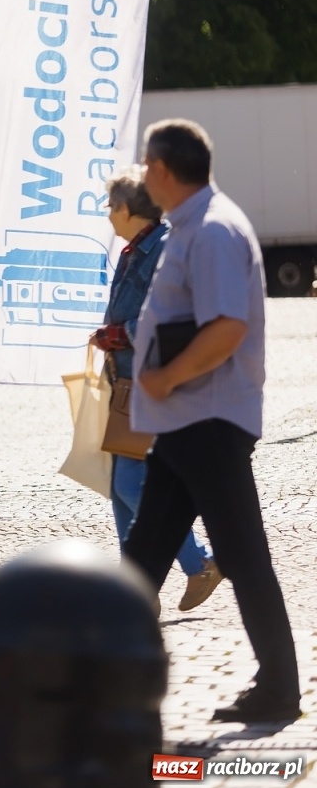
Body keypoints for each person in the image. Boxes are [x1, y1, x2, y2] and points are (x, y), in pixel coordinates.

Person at [123, 119, 300, 723]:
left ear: (165, 170)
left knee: (242, 554)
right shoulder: (190, 228)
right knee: (144, 555)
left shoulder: (215, 231)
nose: (144, 175)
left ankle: (280, 687)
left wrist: (166, 378)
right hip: (186, 424)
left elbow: (228, 327)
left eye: (148, 165)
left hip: (208, 421)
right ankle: (101, 679)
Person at [90, 167, 220, 611]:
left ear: (127, 209)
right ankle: (136, 591)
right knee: (119, 485)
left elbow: (166, 314)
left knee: (130, 484)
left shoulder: (161, 248)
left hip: (153, 382)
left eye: (111, 206)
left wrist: (118, 334)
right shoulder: (137, 249)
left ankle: (199, 561)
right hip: (128, 383)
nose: (108, 214)